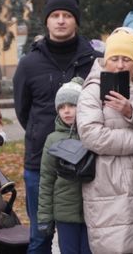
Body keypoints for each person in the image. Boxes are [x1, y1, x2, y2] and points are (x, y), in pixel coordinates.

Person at [13, 0, 100, 254]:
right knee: (40, 236)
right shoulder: (29, 64)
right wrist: (44, 134)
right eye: (55, 16)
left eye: (67, 16)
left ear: (76, 21)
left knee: (85, 237)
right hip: (40, 163)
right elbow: (22, 110)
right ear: (47, 22)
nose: (61, 21)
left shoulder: (94, 61)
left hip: (88, 163)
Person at [76, 29, 133, 254]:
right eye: (115, 58)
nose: (120, 65)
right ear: (106, 59)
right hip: (109, 185)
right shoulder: (92, 91)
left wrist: (132, 111)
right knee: (114, 246)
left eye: (126, 59)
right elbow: (91, 135)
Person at [37, 77, 90, 254]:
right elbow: (46, 179)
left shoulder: (92, 134)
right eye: (61, 107)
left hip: (93, 212)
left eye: (71, 105)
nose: (66, 111)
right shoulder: (52, 140)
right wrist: (45, 216)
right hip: (64, 213)